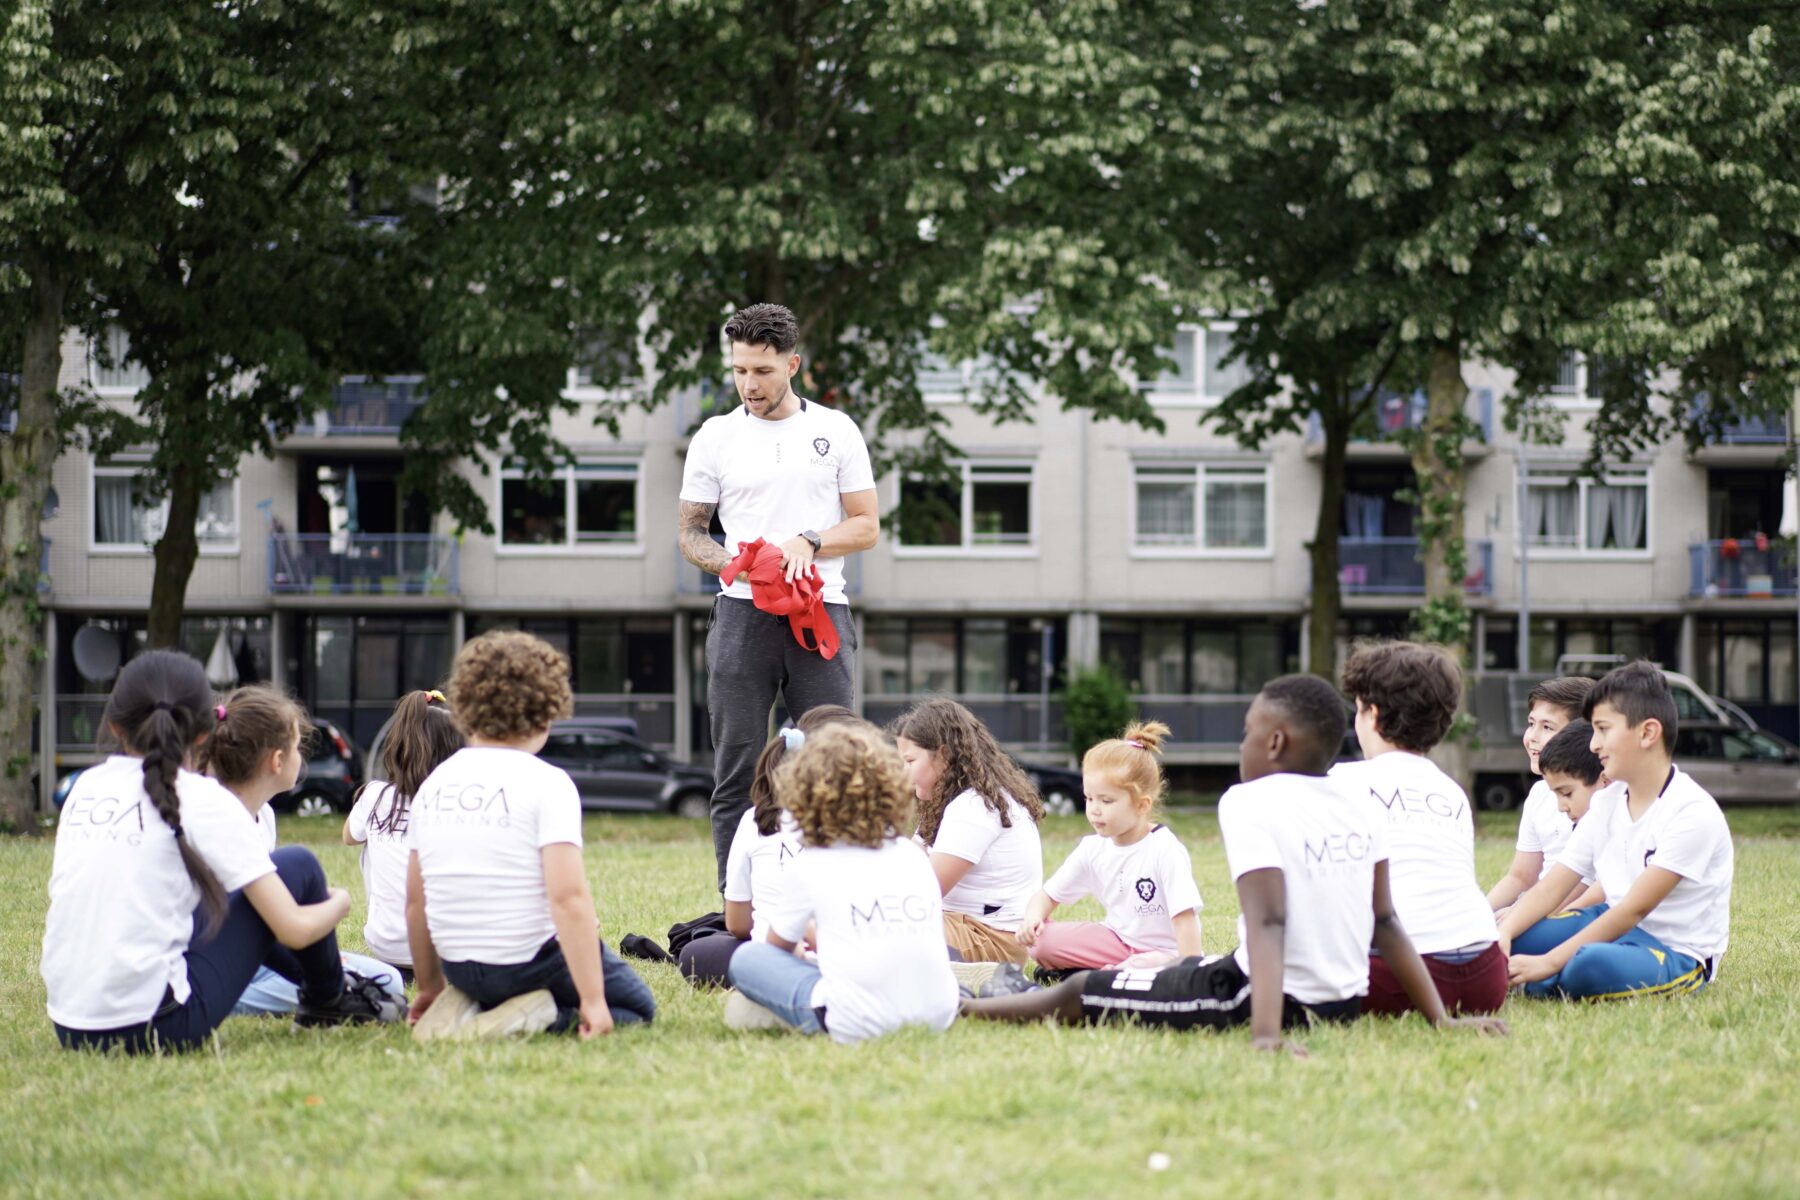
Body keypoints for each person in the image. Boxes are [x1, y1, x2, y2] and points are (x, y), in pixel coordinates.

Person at [962, 675, 1509, 1054]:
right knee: (1173, 971)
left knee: (1086, 994)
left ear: (1274, 741)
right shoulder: (1358, 802)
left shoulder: (1249, 800)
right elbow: (1386, 921)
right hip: (1339, 1003)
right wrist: (1443, 1020)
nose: (1242, 740)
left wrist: (1264, 1035)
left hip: (1252, 996)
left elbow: (1269, 922)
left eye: (1248, 730)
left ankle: (963, 1013)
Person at [41, 651, 400, 1053]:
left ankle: (329, 996)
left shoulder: (85, 787)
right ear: (201, 734)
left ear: (113, 725)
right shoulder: (204, 799)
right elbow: (293, 928)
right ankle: (329, 1000)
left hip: (69, 1025)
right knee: (297, 865)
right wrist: (341, 901)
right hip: (160, 1026)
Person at [678, 302, 880, 889]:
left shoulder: (836, 430)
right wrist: (738, 565)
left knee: (835, 760)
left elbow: (866, 526)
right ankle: (736, 911)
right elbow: (692, 533)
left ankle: (834, 896)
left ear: (792, 363)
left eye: (762, 371)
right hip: (741, 617)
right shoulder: (715, 436)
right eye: (740, 371)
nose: (749, 385)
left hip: (822, 613)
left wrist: (810, 541)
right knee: (736, 767)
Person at [407, 631, 656, 1041]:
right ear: (547, 709)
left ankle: (471, 1005)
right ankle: (512, 1019)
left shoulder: (434, 784)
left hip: (459, 965)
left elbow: (416, 902)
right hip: (525, 961)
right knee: (634, 1007)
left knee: (496, 980)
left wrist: (430, 987)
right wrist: (592, 1001)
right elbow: (568, 898)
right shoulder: (548, 783)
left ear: (466, 706)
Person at [1499, 662, 1734, 1000]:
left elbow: (1633, 910)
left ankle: (1550, 977)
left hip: (1672, 948)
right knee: (1518, 935)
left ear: (1648, 733)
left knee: (1588, 966)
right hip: (1609, 921)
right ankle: (1549, 971)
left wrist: (1548, 962)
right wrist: (1504, 931)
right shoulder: (1607, 802)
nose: (1593, 745)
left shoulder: (1692, 812)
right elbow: (1553, 886)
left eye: (1603, 730)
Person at [725, 724, 959, 1043]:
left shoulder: (810, 863)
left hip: (857, 1020)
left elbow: (776, 951)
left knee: (747, 959)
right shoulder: (912, 855)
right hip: (938, 1013)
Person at [202, 684, 405, 1017]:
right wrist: (338, 902)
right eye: (298, 746)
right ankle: (243, 998)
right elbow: (277, 923)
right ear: (278, 760)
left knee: (389, 979)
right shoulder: (215, 818)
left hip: (264, 957)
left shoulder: (263, 815)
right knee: (361, 982)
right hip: (220, 961)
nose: (302, 756)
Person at [1331, 642, 1506, 1017]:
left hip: (1397, 974)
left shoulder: (1341, 781)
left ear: (1372, 714)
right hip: (1486, 974)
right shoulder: (1451, 792)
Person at [678, 704, 863, 988]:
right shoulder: (872, 825)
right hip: (853, 956)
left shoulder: (755, 820)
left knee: (699, 952)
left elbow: (738, 924)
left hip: (779, 959)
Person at [1016, 721, 1204, 971]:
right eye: (1089, 798)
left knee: (1146, 964)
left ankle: (1118, 974)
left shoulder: (1164, 850)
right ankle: (1113, 972)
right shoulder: (1092, 849)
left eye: (1106, 800)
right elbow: (1046, 896)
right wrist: (1033, 917)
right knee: (1040, 942)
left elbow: (1184, 921)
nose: (1094, 809)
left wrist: (1189, 971)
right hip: (1117, 941)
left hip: (1165, 953)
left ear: (1142, 805)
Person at [893, 698, 1044, 964]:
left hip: (990, 938)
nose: (902, 772)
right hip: (959, 926)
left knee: (877, 926)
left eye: (910, 761)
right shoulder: (948, 802)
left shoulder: (974, 806)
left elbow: (922, 889)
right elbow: (903, 866)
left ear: (943, 755)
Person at [342, 688, 465, 983]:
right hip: (446, 951)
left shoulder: (374, 796)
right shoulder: (458, 804)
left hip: (385, 945)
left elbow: (349, 836)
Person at [1486, 677, 1593, 913]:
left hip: (1567, 910)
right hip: (1536, 904)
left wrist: (1518, 915)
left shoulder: (1597, 795)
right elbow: (1520, 876)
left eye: (1547, 727)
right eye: (1531, 723)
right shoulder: (1538, 793)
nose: (1532, 736)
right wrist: (1479, 914)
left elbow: (1586, 882)